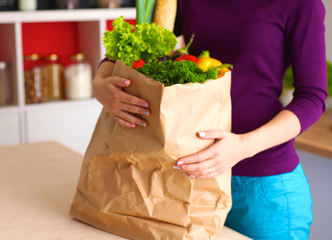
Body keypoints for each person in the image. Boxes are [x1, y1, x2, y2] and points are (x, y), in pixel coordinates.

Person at [92, 0, 328, 239]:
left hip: (262, 187)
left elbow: (312, 98)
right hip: (193, 179)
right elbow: (138, 44)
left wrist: (243, 146)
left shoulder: (302, 4)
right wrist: (101, 82)